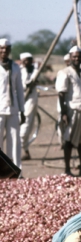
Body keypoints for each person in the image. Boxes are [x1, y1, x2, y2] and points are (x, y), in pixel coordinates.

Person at [56, 46, 81, 176]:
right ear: (70, 58)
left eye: (79, 56)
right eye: (74, 56)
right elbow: (61, 94)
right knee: (68, 140)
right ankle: (67, 170)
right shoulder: (65, 72)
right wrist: (63, 113)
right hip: (72, 110)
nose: (77, 59)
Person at [0, 39, 25, 170]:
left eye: (7, 48)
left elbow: (19, 89)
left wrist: (22, 110)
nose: (4, 51)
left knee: (14, 142)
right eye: (2, 48)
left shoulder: (15, 67)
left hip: (13, 108)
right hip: (0, 108)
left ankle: (15, 170)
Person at [19, 53, 38, 161]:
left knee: (26, 127)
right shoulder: (19, 70)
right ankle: (25, 151)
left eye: (29, 60)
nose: (28, 62)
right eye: (25, 60)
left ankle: (21, 151)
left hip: (30, 100)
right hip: (19, 100)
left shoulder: (35, 71)